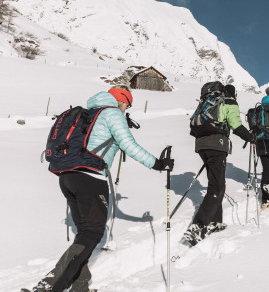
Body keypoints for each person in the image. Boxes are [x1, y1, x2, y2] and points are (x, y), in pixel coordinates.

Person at [26, 85, 174, 292]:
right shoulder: (112, 113)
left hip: (67, 177)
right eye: (127, 105)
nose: (127, 109)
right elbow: (128, 144)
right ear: (121, 101)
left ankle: (80, 286)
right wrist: (157, 164)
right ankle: (51, 285)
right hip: (90, 178)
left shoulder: (91, 113)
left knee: (85, 234)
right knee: (93, 233)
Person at [185, 84, 254, 244]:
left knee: (215, 184)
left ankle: (215, 222)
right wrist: (251, 138)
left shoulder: (208, 102)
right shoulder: (229, 102)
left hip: (201, 145)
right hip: (217, 144)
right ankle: (199, 226)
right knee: (218, 187)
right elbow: (236, 125)